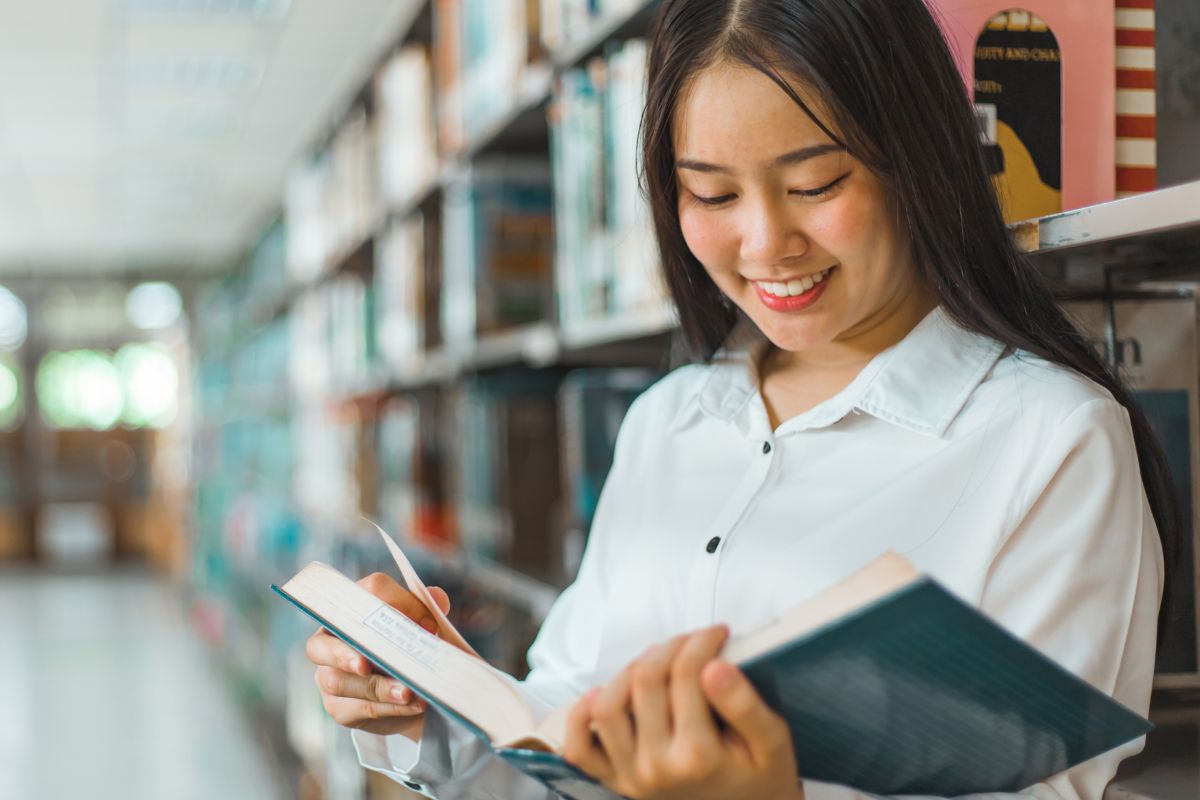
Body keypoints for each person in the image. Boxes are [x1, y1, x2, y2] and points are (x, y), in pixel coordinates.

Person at [304, 0, 1177, 797]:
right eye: (712, 193)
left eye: (816, 185)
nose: (766, 243)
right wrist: (428, 701)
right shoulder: (668, 420)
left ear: (918, 157)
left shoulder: (1051, 438)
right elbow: (563, 725)